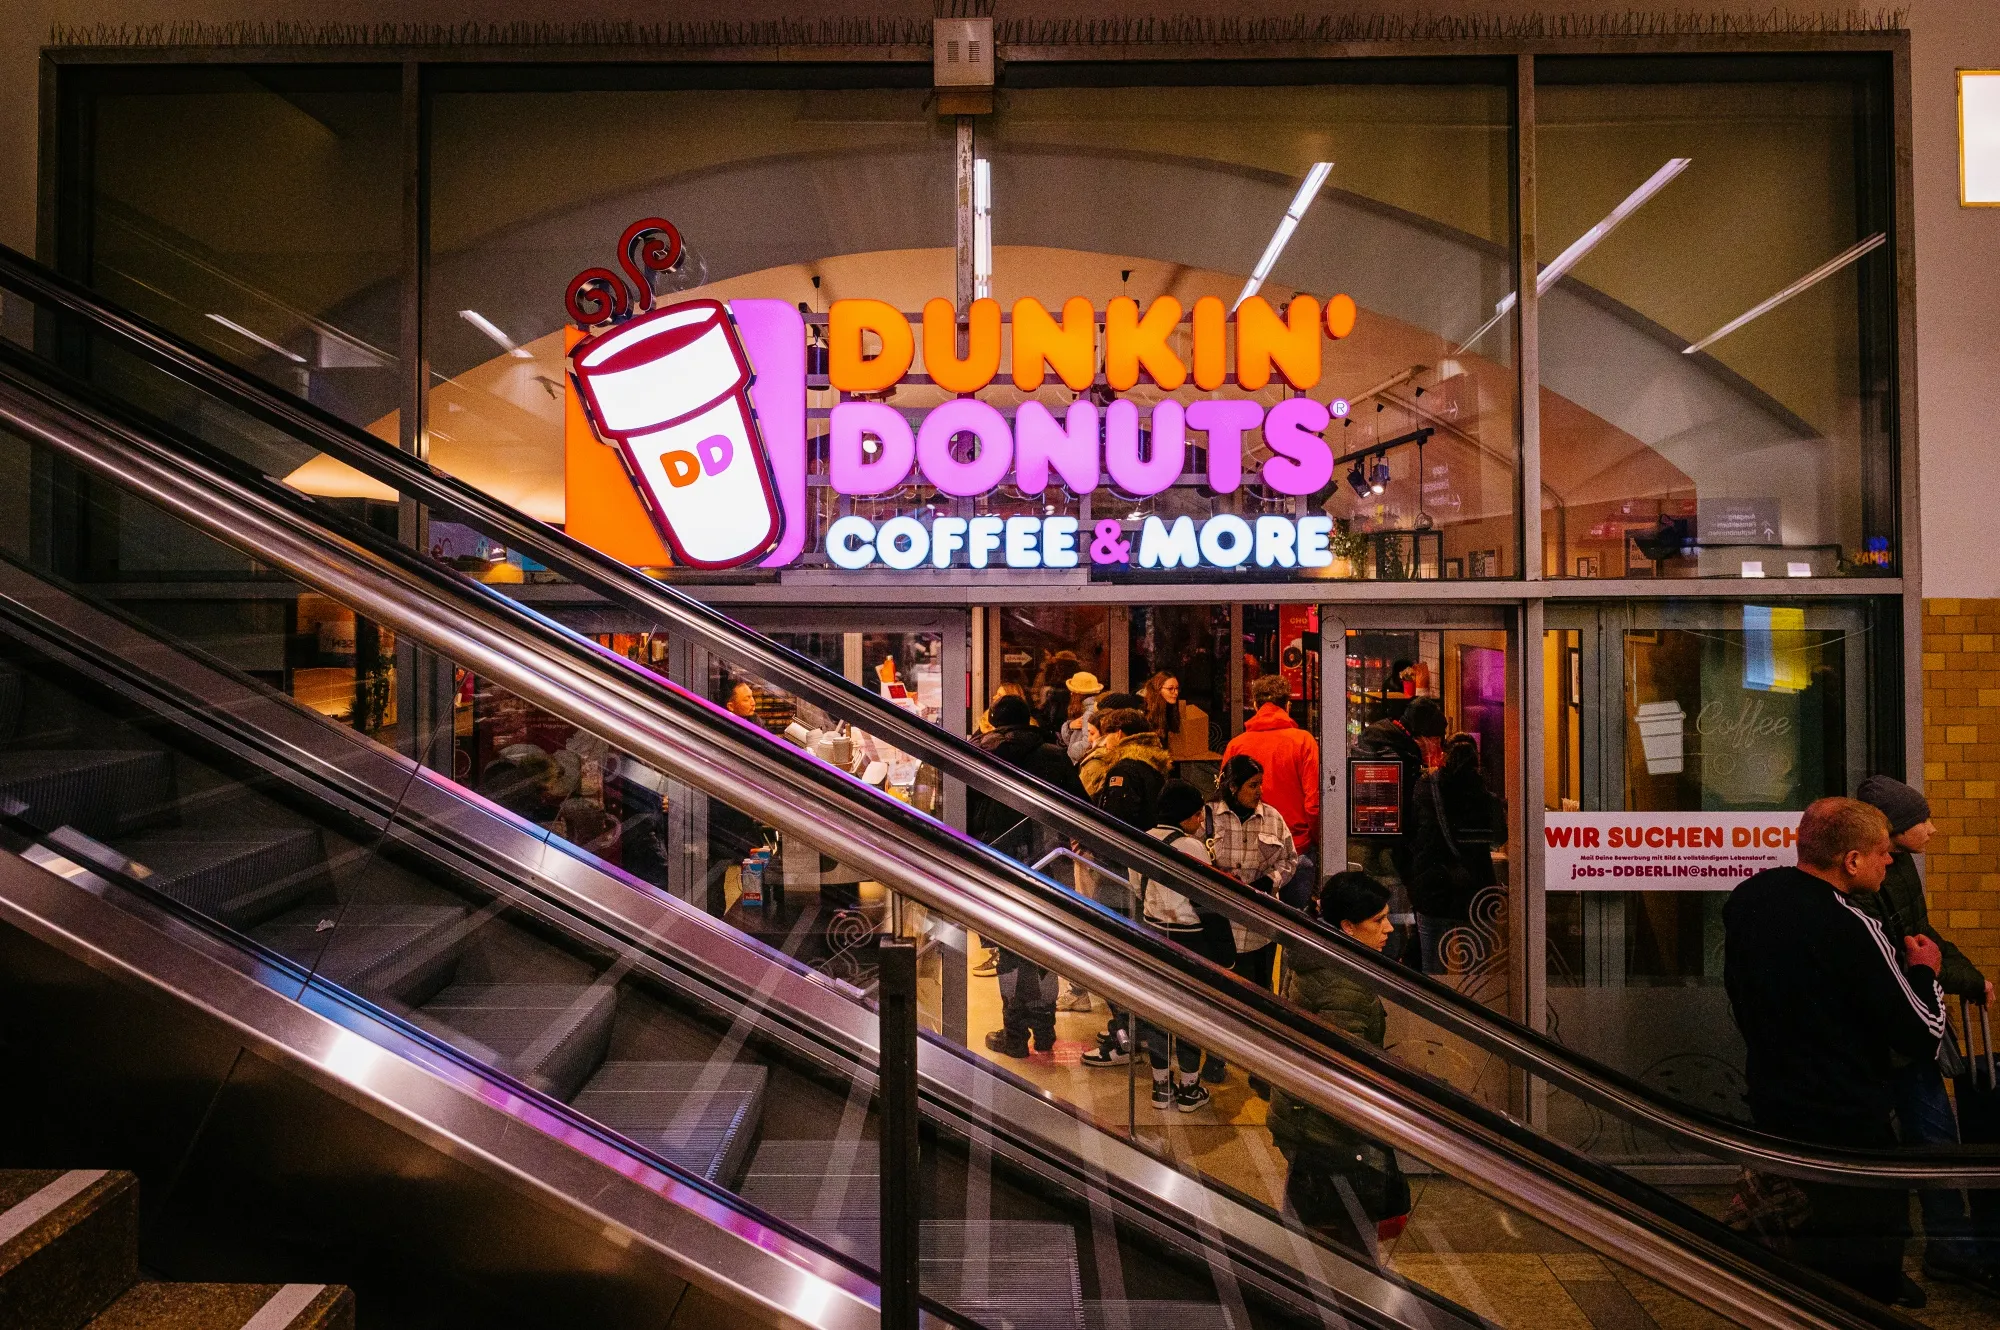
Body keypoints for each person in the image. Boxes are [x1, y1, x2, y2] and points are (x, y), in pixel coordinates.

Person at [1723, 797, 1947, 1307]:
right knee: (1864, 1232)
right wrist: (1925, 970)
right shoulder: (1850, 925)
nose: (1890, 862)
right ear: (1851, 860)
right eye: (1883, 853)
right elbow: (1921, 1033)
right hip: (1846, 1113)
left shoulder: (1749, 899)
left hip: (1775, 1094)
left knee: (1800, 1222)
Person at [1855, 775, 1998, 1292]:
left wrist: (1968, 975)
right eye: (1922, 821)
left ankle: (1951, 1244)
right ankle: (1948, 1247)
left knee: (1933, 1133)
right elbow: (1901, 950)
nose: (1933, 830)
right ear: (1891, 832)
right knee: (1931, 1135)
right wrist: (1953, 976)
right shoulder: (1866, 873)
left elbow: (1922, 934)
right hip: (1898, 1028)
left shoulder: (1899, 867)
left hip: (1909, 1023)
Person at [1267, 872, 1410, 1257]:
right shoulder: (1344, 982)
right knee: (1346, 1250)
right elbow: (1346, 1069)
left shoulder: (1316, 954)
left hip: (1304, 1119)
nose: (1388, 928)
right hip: (1329, 1132)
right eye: (1377, 920)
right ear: (1347, 926)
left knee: (1311, 1235)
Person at [969, 694, 1084, 1058]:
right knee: (1045, 947)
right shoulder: (1053, 753)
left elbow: (964, 810)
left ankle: (1014, 1033)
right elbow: (1079, 805)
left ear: (993, 720)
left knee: (1009, 950)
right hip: (1049, 861)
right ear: (1028, 720)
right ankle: (1046, 1029)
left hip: (999, 862)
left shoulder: (979, 752)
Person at [1132, 780, 1227, 1112]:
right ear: (1185, 814)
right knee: (1190, 1013)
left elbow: (1137, 890)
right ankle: (1189, 1087)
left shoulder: (1140, 840)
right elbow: (1208, 899)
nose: (1200, 821)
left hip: (1153, 934)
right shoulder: (1193, 848)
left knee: (1158, 1011)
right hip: (1191, 939)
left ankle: (1161, 1086)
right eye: (1197, 814)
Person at [1407, 734, 1504, 976]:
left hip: (1433, 884)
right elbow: (1499, 837)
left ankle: (1433, 1009)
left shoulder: (1424, 789)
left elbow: (1410, 831)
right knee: (1476, 970)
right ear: (1476, 762)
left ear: (1444, 756)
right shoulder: (1486, 798)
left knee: (1432, 966)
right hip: (1475, 888)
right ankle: (1470, 1012)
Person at [1207, 754, 1300, 998]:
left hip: (1260, 929)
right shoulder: (1208, 817)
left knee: (1258, 994)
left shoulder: (1272, 818)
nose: (1259, 791)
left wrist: (1271, 880)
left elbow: (1290, 859)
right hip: (1220, 925)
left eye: (1261, 783)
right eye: (1252, 785)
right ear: (1233, 786)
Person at [1221, 675, 1321, 889]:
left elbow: (1225, 800)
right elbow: (1313, 804)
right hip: (1296, 845)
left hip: (1247, 850)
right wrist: (1316, 839)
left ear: (1255, 705)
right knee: (1295, 919)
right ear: (1288, 704)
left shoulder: (1236, 745)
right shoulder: (1304, 742)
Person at [1057, 671, 1105, 761]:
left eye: (1073, 692)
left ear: (1078, 694)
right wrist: (1069, 726)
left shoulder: (1089, 713)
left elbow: (1087, 744)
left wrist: (1070, 753)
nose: (1071, 694)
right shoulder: (1090, 708)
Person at [1141, 672, 1182, 742]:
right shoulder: (1144, 708)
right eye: (1170, 689)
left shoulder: (1169, 706)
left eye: (1177, 688)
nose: (1176, 693)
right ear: (1158, 689)